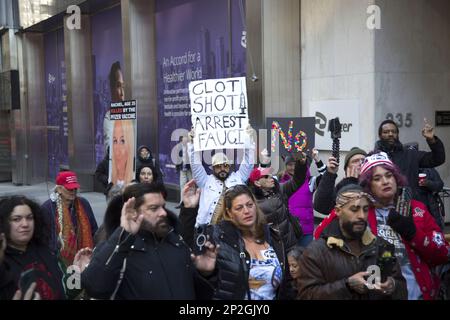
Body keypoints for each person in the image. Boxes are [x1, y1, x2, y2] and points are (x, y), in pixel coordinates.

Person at [314, 152, 450, 300]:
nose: (385, 181)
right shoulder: (359, 211)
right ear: (368, 186)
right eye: (377, 178)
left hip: (418, 294)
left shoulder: (417, 209)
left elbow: (443, 253)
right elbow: (319, 235)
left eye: (389, 175)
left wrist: (413, 234)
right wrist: (349, 197)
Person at [81, 183, 218, 300]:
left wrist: (206, 274)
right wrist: (123, 237)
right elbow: (94, 287)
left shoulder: (176, 243)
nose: (163, 213)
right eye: (154, 208)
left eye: (163, 206)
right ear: (133, 212)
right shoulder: (117, 248)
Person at [182, 184, 294, 300]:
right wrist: (189, 210)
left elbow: (287, 285)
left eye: (250, 205)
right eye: (239, 208)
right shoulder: (217, 237)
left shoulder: (273, 237)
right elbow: (187, 250)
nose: (246, 211)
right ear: (229, 213)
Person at [297, 184, 407, 300]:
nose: (362, 216)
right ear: (338, 211)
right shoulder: (316, 251)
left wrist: (392, 286)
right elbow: (306, 295)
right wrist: (347, 285)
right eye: (354, 209)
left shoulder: (382, 246)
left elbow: (402, 289)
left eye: (365, 209)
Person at [187, 126, 255, 228]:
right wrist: (192, 143)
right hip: (206, 230)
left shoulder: (239, 178)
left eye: (225, 165)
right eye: (218, 166)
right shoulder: (205, 181)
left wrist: (248, 139)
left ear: (230, 167)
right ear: (212, 168)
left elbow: (249, 161)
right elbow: (195, 163)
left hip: (233, 230)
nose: (222, 168)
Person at [0, 196, 66, 300]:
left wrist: (75, 271)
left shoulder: (44, 251)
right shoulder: (2, 261)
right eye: (16, 219)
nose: (25, 224)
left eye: (29, 218)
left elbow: (66, 289)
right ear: (3, 223)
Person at [374, 119, 445, 200]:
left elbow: (438, 159)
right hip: (383, 206)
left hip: (409, 206)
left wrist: (432, 140)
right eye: (386, 132)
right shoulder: (374, 158)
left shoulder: (411, 154)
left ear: (398, 134)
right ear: (380, 135)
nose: (390, 134)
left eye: (394, 132)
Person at [247, 154, 306, 248]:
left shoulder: (279, 189)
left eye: (271, 176)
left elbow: (297, 180)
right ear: (257, 182)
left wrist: (301, 164)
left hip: (291, 245)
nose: (271, 179)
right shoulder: (251, 202)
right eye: (266, 177)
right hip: (270, 248)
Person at [41, 171, 98, 268]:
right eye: (69, 189)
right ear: (58, 189)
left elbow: (94, 230)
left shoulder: (84, 204)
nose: (73, 192)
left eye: (75, 188)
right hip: (58, 261)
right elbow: (44, 238)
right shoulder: (48, 208)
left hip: (84, 258)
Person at [278, 149, 326, 247]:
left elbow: (326, 178)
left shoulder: (310, 181)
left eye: (295, 164)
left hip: (305, 230)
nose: (293, 167)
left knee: (304, 260)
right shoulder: (279, 181)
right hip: (286, 230)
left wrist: (317, 160)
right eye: (290, 164)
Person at [314, 147, 367, 215]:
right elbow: (321, 207)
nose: (360, 163)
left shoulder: (375, 183)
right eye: (355, 161)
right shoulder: (343, 186)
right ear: (347, 168)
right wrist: (330, 173)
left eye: (363, 160)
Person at [103, 61, 125, 153]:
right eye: (118, 86)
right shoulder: (109, 117)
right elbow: (109, 150)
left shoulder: (133, 115)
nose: (122, 93)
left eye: (123, 86)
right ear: (112, 89)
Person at [111, 120, 135, 187]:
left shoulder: (135, 179)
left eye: (122, 141)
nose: (118, 150)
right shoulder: (110, 177)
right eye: (115, 141)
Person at [176, 135, 192, 207]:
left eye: (186, 139)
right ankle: (181, 202)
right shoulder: (179, 147)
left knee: (191, 185)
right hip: (182, 168)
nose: (185, 141)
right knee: (182, 185)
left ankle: (191, 200)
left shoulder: (190, 147)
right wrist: (177, 167)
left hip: (189, 169)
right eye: (183, 140)